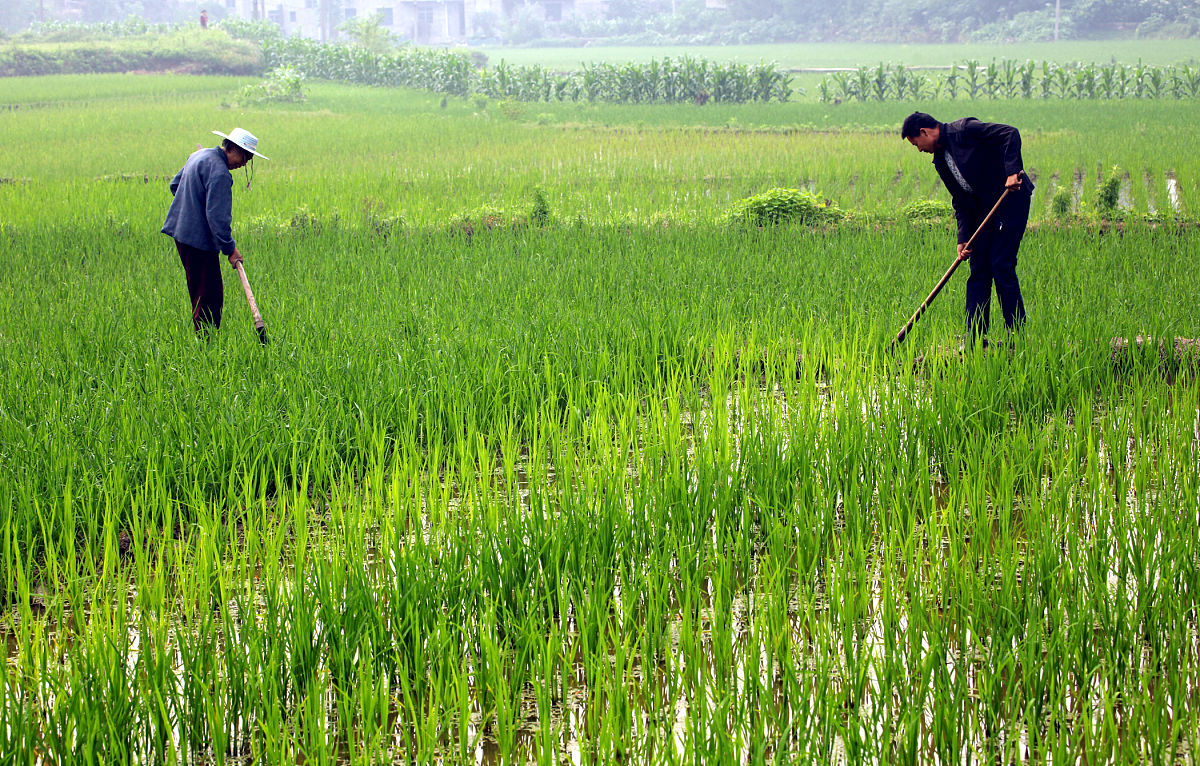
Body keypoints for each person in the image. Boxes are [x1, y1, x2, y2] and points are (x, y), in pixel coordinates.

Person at [901, 111, 1033, 342]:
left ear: (924, 132)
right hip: (983, 210)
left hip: (1010, 199)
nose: (919, 149)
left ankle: (1018, 336)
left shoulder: (965, 130)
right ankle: (974, 338)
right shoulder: (941, 161)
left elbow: (1010, 133)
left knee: (1001, 265)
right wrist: (963, 238)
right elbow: (960, 201)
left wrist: (1012, 172)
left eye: (916, 144)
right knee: (978, 268)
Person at [162, 128, 268, 333]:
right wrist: (230, 249)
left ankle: (205, 342)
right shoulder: (220, 174)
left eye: (249, 159)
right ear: (232, 148)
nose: (244, 163)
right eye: (244, 156)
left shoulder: (198, 156)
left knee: (200, 290)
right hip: (197, 241)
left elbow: (176, 186)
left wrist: (191, 209)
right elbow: (218, 219)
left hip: (181, 236)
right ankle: (206, 346)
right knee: (209, 296)